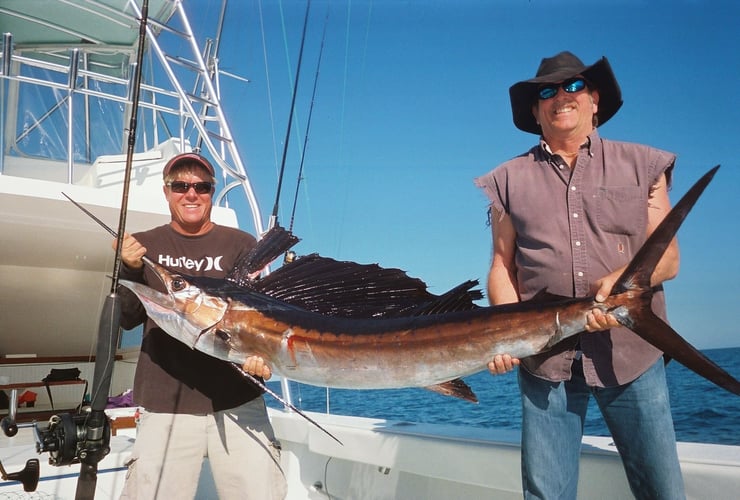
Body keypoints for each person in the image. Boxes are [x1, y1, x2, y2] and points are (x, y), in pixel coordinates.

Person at [474, 51, 685, 499]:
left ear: (594, 100)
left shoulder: (643, 163)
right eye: (546, 92)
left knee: (662, 491)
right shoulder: (506, 180)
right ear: (535, 111)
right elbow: (501, 265)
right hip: (543, 360)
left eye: (573, 87)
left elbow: (666, 259)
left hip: (631, 354)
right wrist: (503, 334)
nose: (560, 97)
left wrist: (621, 279)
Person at [115, 152, 287, 499]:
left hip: (238, 399)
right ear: (166, 192)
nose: (190, 193)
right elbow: (127, 317)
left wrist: (258, 354)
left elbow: (258, 319)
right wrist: (130, 268)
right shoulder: (144, 246)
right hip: (164, 404)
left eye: (202, 186)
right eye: (180, 185)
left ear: (211, 192)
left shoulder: (240, 244)